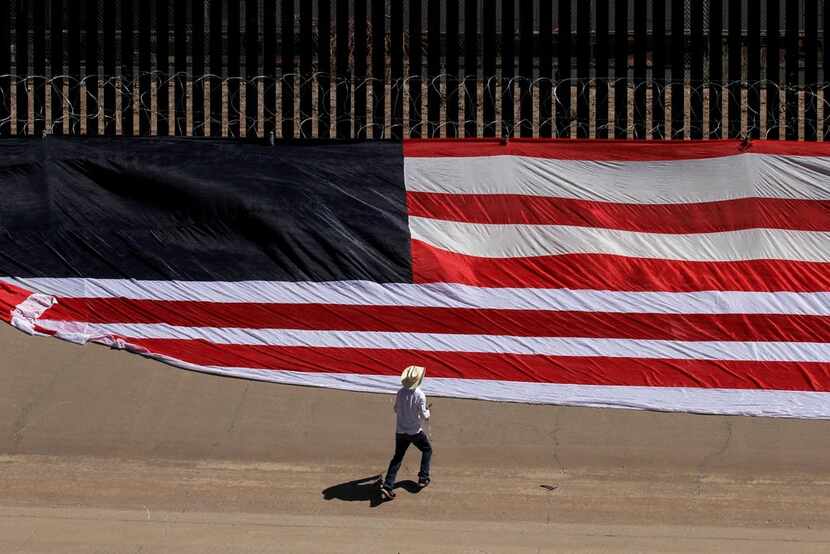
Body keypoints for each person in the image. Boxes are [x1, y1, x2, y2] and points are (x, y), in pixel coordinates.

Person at [379, 365, 433, 500]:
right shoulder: (420, 395)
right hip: (414, 431)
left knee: (397, 458)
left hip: (401, 431)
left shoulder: (400, 392)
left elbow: (396, 409)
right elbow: (424, 415)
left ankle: (387, 486)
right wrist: (428, 411)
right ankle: (423, 477)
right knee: (427, 450)